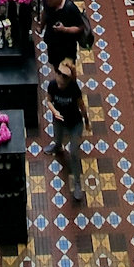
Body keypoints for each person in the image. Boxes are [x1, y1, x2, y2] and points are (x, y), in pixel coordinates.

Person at [47, 57, 86, 202]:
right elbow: (48, 100)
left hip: (75, 123)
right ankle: (57, 146)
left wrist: (86, 122)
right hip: (59, 120)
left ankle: (77, 182)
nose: (60, 83)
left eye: (63, 81)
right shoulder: (52, 85)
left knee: (74, 152)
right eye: (58, 76)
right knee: (57, 136)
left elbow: (82, 107)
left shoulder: (74, 89)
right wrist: (54, 112)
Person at [40, 0, 86, 68]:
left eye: (50, 1)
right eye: (47, 1)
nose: (48, 3)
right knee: (55, 65)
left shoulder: (70, 8)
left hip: (67, 47)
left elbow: (80, 27)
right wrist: (41, 27)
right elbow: (45, 12)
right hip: (52, 43)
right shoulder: (48, 3)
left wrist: (64, 29)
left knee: (68, 70)